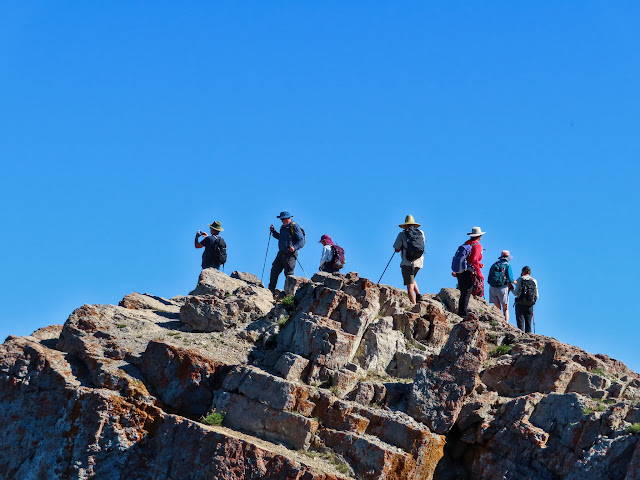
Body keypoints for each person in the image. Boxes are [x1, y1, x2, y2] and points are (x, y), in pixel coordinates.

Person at [268, 211, 305, 293]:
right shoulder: (283, 227)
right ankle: (270, 291)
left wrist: (294, 247)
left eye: (283, 219)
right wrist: (273, 231)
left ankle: (289, 294)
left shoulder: (294, 226)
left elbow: (301, 240)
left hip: (290, 254)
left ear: (288, 218)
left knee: (289, 274)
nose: (282, 220)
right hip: (281, 253)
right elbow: (280, 237)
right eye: (281, 219)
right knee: (274, 271)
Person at [453, 226, 485, 318]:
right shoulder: (477, 246)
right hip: (469, 272)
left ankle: (461, 311)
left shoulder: (467, 244)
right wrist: (479, 274)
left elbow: (469, 259)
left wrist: (479, 264)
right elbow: (474, 260)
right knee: (467, 292)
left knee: (463, 291)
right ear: (479, 236)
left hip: (461, 271)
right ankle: (462, 313)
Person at [393, 215, 425, 304]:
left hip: (407, 262)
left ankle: (414, 305)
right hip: (419, 262)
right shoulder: (421, 233)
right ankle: (418, 295)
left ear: (405, 225)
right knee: (412, 277)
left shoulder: (402, 234)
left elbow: (397, 249)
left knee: (409, 285)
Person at [487, 250, 515, 323]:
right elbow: (511, 279)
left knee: (497, 309)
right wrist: (517, 283)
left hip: (492, 288)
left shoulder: (494, 264)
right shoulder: (507, 265)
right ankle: (505, 323)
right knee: (505, 309)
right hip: (502, 288)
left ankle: (498, 322)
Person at [513, 266, 539, 333]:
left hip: (520, 303)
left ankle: (520, 337)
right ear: (529, 272)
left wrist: (511, 288)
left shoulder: (520, 279)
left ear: (522, 272)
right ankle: (529, 337)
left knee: (520, 323)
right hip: (530, 304)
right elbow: (537, 295)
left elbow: (516, 293)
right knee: (528, 323)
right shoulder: (534, 280)